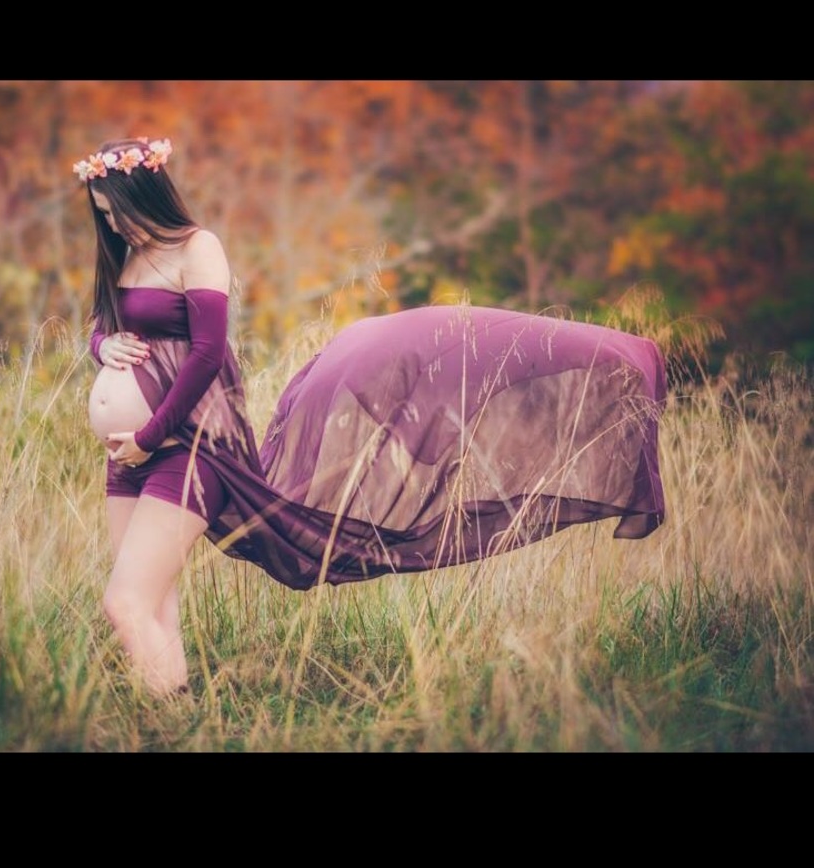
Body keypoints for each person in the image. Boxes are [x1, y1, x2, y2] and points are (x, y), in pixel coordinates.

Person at [76, 136, 668, 701]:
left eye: (118, 212)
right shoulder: (128, 254)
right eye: (103, 215)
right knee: (153, 601)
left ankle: (172, 708)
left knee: (123, 604)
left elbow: (207, 354)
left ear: (146, 195)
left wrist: (149, 435)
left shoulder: (196, 247)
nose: (114, 225)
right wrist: (104, 349)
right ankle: (173, 721)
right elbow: (103, 325)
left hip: (184, 449)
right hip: (126, 459)